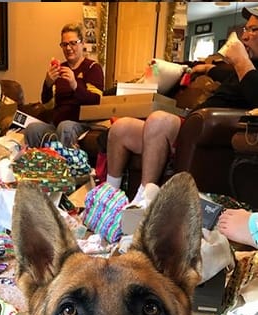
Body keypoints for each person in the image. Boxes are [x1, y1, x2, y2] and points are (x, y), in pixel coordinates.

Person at [106, 6, 258, 203]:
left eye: (253, 30)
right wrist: (205, 67)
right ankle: (109, 198)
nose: (244, 36)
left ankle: (143, 201)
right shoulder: (240, 69)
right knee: (121, 128)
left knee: (159, 120)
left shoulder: (248, 69)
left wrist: (241, 61)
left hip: (202, 131)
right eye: (245, 29)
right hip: (187, 127)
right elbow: (222, 73)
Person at [24, 23, 104, 148]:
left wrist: (75, 85)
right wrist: (48, 84)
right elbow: (48, 105)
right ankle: (38, 160)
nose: (68, 48)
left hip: (81, 124)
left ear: (82, 43)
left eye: (73, 43)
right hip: (57, 125)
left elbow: (96, 100)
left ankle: (64, 160)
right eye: (64, 44)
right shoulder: (60, 68)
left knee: (65, 126)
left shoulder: (93, 68)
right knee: (32, 128)